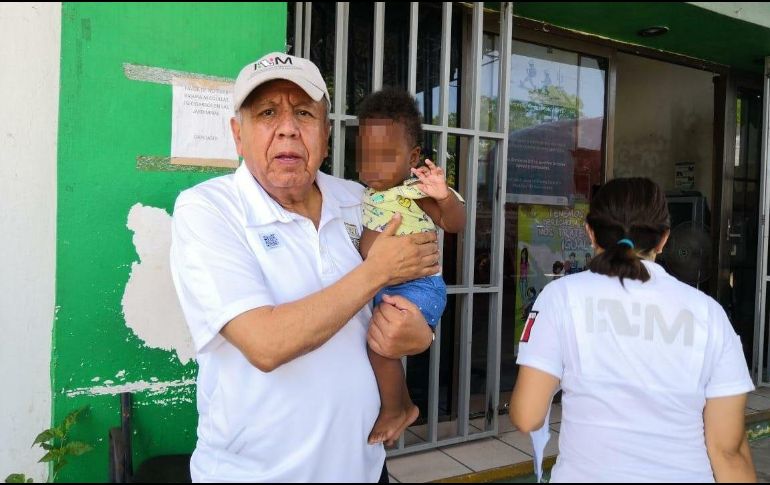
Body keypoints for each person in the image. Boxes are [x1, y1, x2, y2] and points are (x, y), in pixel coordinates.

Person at [170, 53, 440, 483]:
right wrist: (375, 272)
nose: (288, 127)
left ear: (326, 135)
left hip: (363, 470)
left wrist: (421, 332)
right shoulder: (208, 210)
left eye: (303, 112)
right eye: (267, 113)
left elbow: (420, 268)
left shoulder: (359, 199)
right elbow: (266, 344)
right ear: (238, 136)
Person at [509, 177, 756, 482]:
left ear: (590, 232)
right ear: (664, 239)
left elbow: (527, 415)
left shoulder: (560, 298)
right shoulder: (709, 314)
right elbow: (728, 451)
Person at [355, 88, 466, 445]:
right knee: (375, 342)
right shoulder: (365, 193)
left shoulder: (415, 192)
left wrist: (443, 195)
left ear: (413, 156)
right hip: (387, 286)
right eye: (366, 156)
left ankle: (396, 408)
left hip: (417, 287)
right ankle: (400, 404)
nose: (373, 167)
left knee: (378, 344)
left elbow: (454, 223)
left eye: (385, 156)